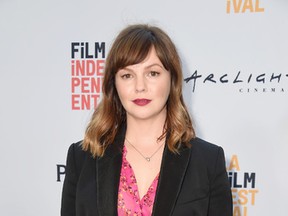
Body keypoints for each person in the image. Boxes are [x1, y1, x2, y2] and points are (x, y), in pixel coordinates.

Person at [61, 24, 232, 216]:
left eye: (153, 73)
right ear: (114, 84)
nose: (140, 86)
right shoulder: (82, 157)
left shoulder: (208, 161)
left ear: (172, 79)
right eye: (127, 75)